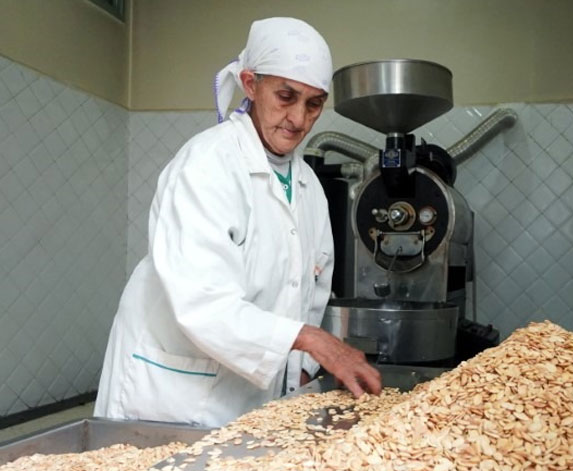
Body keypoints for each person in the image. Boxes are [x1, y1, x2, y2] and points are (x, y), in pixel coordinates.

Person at [94, 17, 382, 427]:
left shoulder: (308, 186)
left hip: (249, 396)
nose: (298, 119)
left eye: (314, 103)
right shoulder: (206, 165)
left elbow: (311, 289)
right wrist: (313, 341)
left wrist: (298, 369)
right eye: (286, 96)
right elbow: (203, 302)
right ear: (250, 84)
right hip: (171, 394)